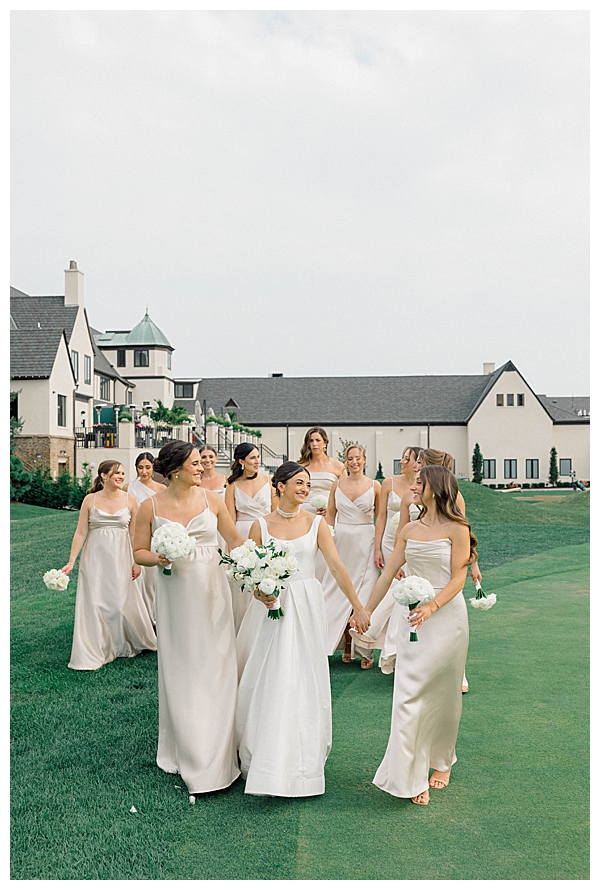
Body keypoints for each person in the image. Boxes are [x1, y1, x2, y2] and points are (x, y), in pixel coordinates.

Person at [235, 461, 370, 797]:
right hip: (272, 608)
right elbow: (250, 574)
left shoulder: (317, 523)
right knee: (272, 673)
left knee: (303, 675)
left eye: (307, 484)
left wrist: (358, 606)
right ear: (279, 485)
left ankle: (303, 758)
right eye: (298, 482)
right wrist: (261, 593)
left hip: (306, 605)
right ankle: (265, 756)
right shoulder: (260, 526)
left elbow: (336, 566)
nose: (305, 489)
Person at [133, 440, 245, 798]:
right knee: (183, 666)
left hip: (213, 594)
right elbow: (138, 552)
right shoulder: (150, 506)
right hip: (176, 597)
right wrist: (159, 557)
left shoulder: (213, 500)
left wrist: (260, 566)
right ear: (175, 469)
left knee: (218, 664)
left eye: (201, 462)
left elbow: (235, 542)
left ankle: (222, 749)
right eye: (195, 463)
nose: (202, 467)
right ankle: (190, 747)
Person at [364, 465, 477, 806]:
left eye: (419, 483)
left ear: (435, 489)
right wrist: (366, 611)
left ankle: (442, 761)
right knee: (408, 695)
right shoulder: (409, 529)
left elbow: (458, 579)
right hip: (412, 619)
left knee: (444, 695)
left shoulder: (457, 528)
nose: (413, 487)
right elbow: (388, 574)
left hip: (446, 618)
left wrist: (432, 607)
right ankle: (409, 776)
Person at [395, 448, 482, 692]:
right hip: (415, 557)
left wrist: (473, 563)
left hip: (442, 565)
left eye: (420, 462)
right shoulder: (411, 495)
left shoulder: (451, 496)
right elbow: (402, 532)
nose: (415, 465)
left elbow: (464, 531)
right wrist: (398, 563)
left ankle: (455, 673)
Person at [62, 460, 157, 671]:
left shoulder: (130, 499)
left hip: (122, 555)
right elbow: (81, 532)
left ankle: (124, 642)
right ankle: (98, 646)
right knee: (96, 601)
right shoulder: (90, 499)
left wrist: (137, 561)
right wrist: (71, 561)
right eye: (116, 473)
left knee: (120, 602)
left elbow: (134, 533)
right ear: (104, 476)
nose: (121, 476)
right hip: (95, 557)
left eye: (122, 473)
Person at [322, 444, 380, 669]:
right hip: (341, 542)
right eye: (350, 458)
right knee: (336, 592)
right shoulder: (337, 485)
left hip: (366, 542)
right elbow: (330, 515)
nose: (354, 462)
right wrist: (327, 539)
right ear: (345, 461)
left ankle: (364, 649)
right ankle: (337, 645)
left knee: (364, 594)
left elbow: (380, 518)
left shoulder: (375, 486)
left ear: (364, 460)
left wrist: (378, 548)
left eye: (358, 458)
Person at [225, 442, 277, 631]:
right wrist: (231, 545)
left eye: (257, 457)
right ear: (241, 461)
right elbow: (230, 518)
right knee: (244, 585)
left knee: (266, 579)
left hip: (265, 533)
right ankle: (243, 630)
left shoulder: (269, 481)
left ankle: (267, 627)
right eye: (252, 458)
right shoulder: (232, 485)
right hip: (242, 536)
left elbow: (275, 512)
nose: (257, 461)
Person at [123, 452, 167, 624]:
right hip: (135, 535)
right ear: (136, 468)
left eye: (148, 467)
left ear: (153, 468)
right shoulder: (128, 488)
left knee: (153, 581)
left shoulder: (161, 489)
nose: (144, 471)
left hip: (155, 536)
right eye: (140, 467)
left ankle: (156, 617)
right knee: (137, 579)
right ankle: (140, 618)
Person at [298, 427, 345, 582]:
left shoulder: (338, 466)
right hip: (304, 514)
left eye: (318, 440)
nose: (314, 444)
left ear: (325, 442)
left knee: (327, 556)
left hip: (328, 516)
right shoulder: (300, 466)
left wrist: (331, 510)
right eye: (311, 441)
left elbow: (344, 494)